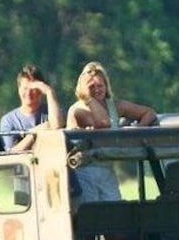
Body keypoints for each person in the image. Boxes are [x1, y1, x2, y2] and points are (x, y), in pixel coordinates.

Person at [66, 61, 157, 207]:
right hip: (85, 171)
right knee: (90, 216)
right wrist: (87, 99)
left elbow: (149, 113)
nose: (97, 90)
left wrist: (137, 129)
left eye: (100, 86)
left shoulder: (115, 106)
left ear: (106, 86)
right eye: (92, 87)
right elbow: (103, 123)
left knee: (114, 214)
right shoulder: (77, 110)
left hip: (107, 168)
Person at [0, 64, 65, 152]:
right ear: (19, 89)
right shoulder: (9, 120)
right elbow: (11, 153)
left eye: (33, 89)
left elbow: (57, 125)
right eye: (25, 88)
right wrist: (35, 132)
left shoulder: (53, 112)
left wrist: (49, 92)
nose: (28, 93)